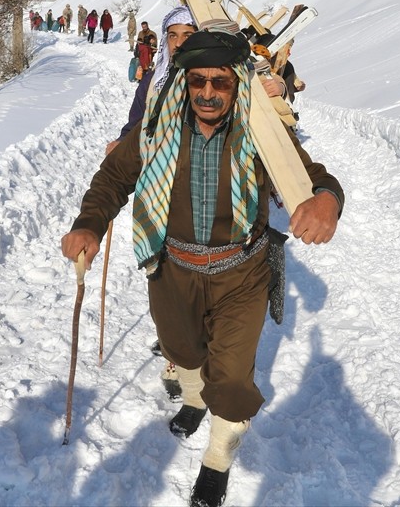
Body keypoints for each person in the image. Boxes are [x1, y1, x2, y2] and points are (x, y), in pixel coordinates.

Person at [63, 28, 343, 507]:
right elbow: (113, 178)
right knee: (182, 350)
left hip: (242, 271)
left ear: (236, 84)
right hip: (172, 268)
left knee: (231, 379)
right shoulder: (156, 126)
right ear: (184, 82)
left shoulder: (261, 134)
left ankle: (216, 461)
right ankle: (193, 400)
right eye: (198, 81)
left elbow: (314, 178)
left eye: (220, 82)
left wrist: (327, 201)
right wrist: (89, 224)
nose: (208, 93)